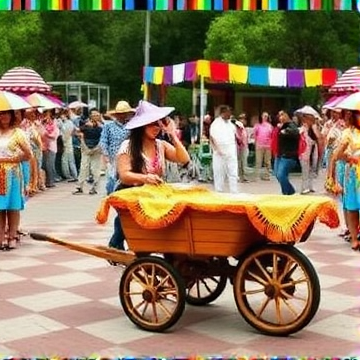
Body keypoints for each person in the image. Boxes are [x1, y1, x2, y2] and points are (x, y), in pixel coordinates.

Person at [113, 100, 190, 252]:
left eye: (159, 123)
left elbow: (184, 159)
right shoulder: (127, 146)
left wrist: (173, 135)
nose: (156, 127)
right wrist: (145, 178)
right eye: (152, 124)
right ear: (141, 126)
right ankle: (118, 243)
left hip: (153, 195)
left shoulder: (161, 145)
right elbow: (124, 175)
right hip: (130, 192)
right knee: (132, 223)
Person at [328, 109, 360, 251]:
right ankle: (354, 237)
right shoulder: (348, 133)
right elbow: (336, 155)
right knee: (352, 206)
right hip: (353, 174)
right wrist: (351, 158)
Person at [0, 109, 32, 250]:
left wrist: (15, 158)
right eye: (1, 113)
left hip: (13, 174)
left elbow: (28, 155)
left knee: (13, 207)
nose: (4, 116)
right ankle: (1, 237)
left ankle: (12, 236)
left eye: (7, 113)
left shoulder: (18, 133)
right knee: (0, 207)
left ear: (12, 115)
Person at [99, 100, 134, 195]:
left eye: (125, 113)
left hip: (129, 156)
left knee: (127, 180)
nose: (122, 115)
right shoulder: (108, 126)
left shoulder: (133, 126)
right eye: (120, 113)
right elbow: (103, 141)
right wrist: (105, 156)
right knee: (112, 179)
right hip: (113, 158)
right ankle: (111, 196)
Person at [72, 108, 103, 195]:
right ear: (90, 116)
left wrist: (98, 147)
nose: (96, 117)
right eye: (94, 115)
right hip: (85, 147)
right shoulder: (85, 124)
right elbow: (76, 132)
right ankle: (80, 186)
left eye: (97, 115)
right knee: (83, 167)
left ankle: (94, 187)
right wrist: (81, 136)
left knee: (95, 169)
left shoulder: (102, 126)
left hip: (97, 148)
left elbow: (104, 137)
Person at [209, 105, 238, 193]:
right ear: (223, 113)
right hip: (220, 150)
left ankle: (234, 191)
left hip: (230, 149)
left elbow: (235, 136)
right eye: (228, 112)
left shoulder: (231, 124)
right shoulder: (216, 123)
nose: (230, 115)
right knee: (219, 173)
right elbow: (212, 138)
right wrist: (218, 150)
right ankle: (219, 191)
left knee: (233, 172)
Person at [274, 110, 300, 195]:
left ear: (287, 115)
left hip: (288, 156)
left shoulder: (292, 126)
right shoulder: (281, 126)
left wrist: (285, 131)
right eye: (279, 115)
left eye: (282, 115)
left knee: (281, 175)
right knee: (278, 175)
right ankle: (290, 191)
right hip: (279, 154)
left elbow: (295, 132)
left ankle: (287, 193)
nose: (281, 117)